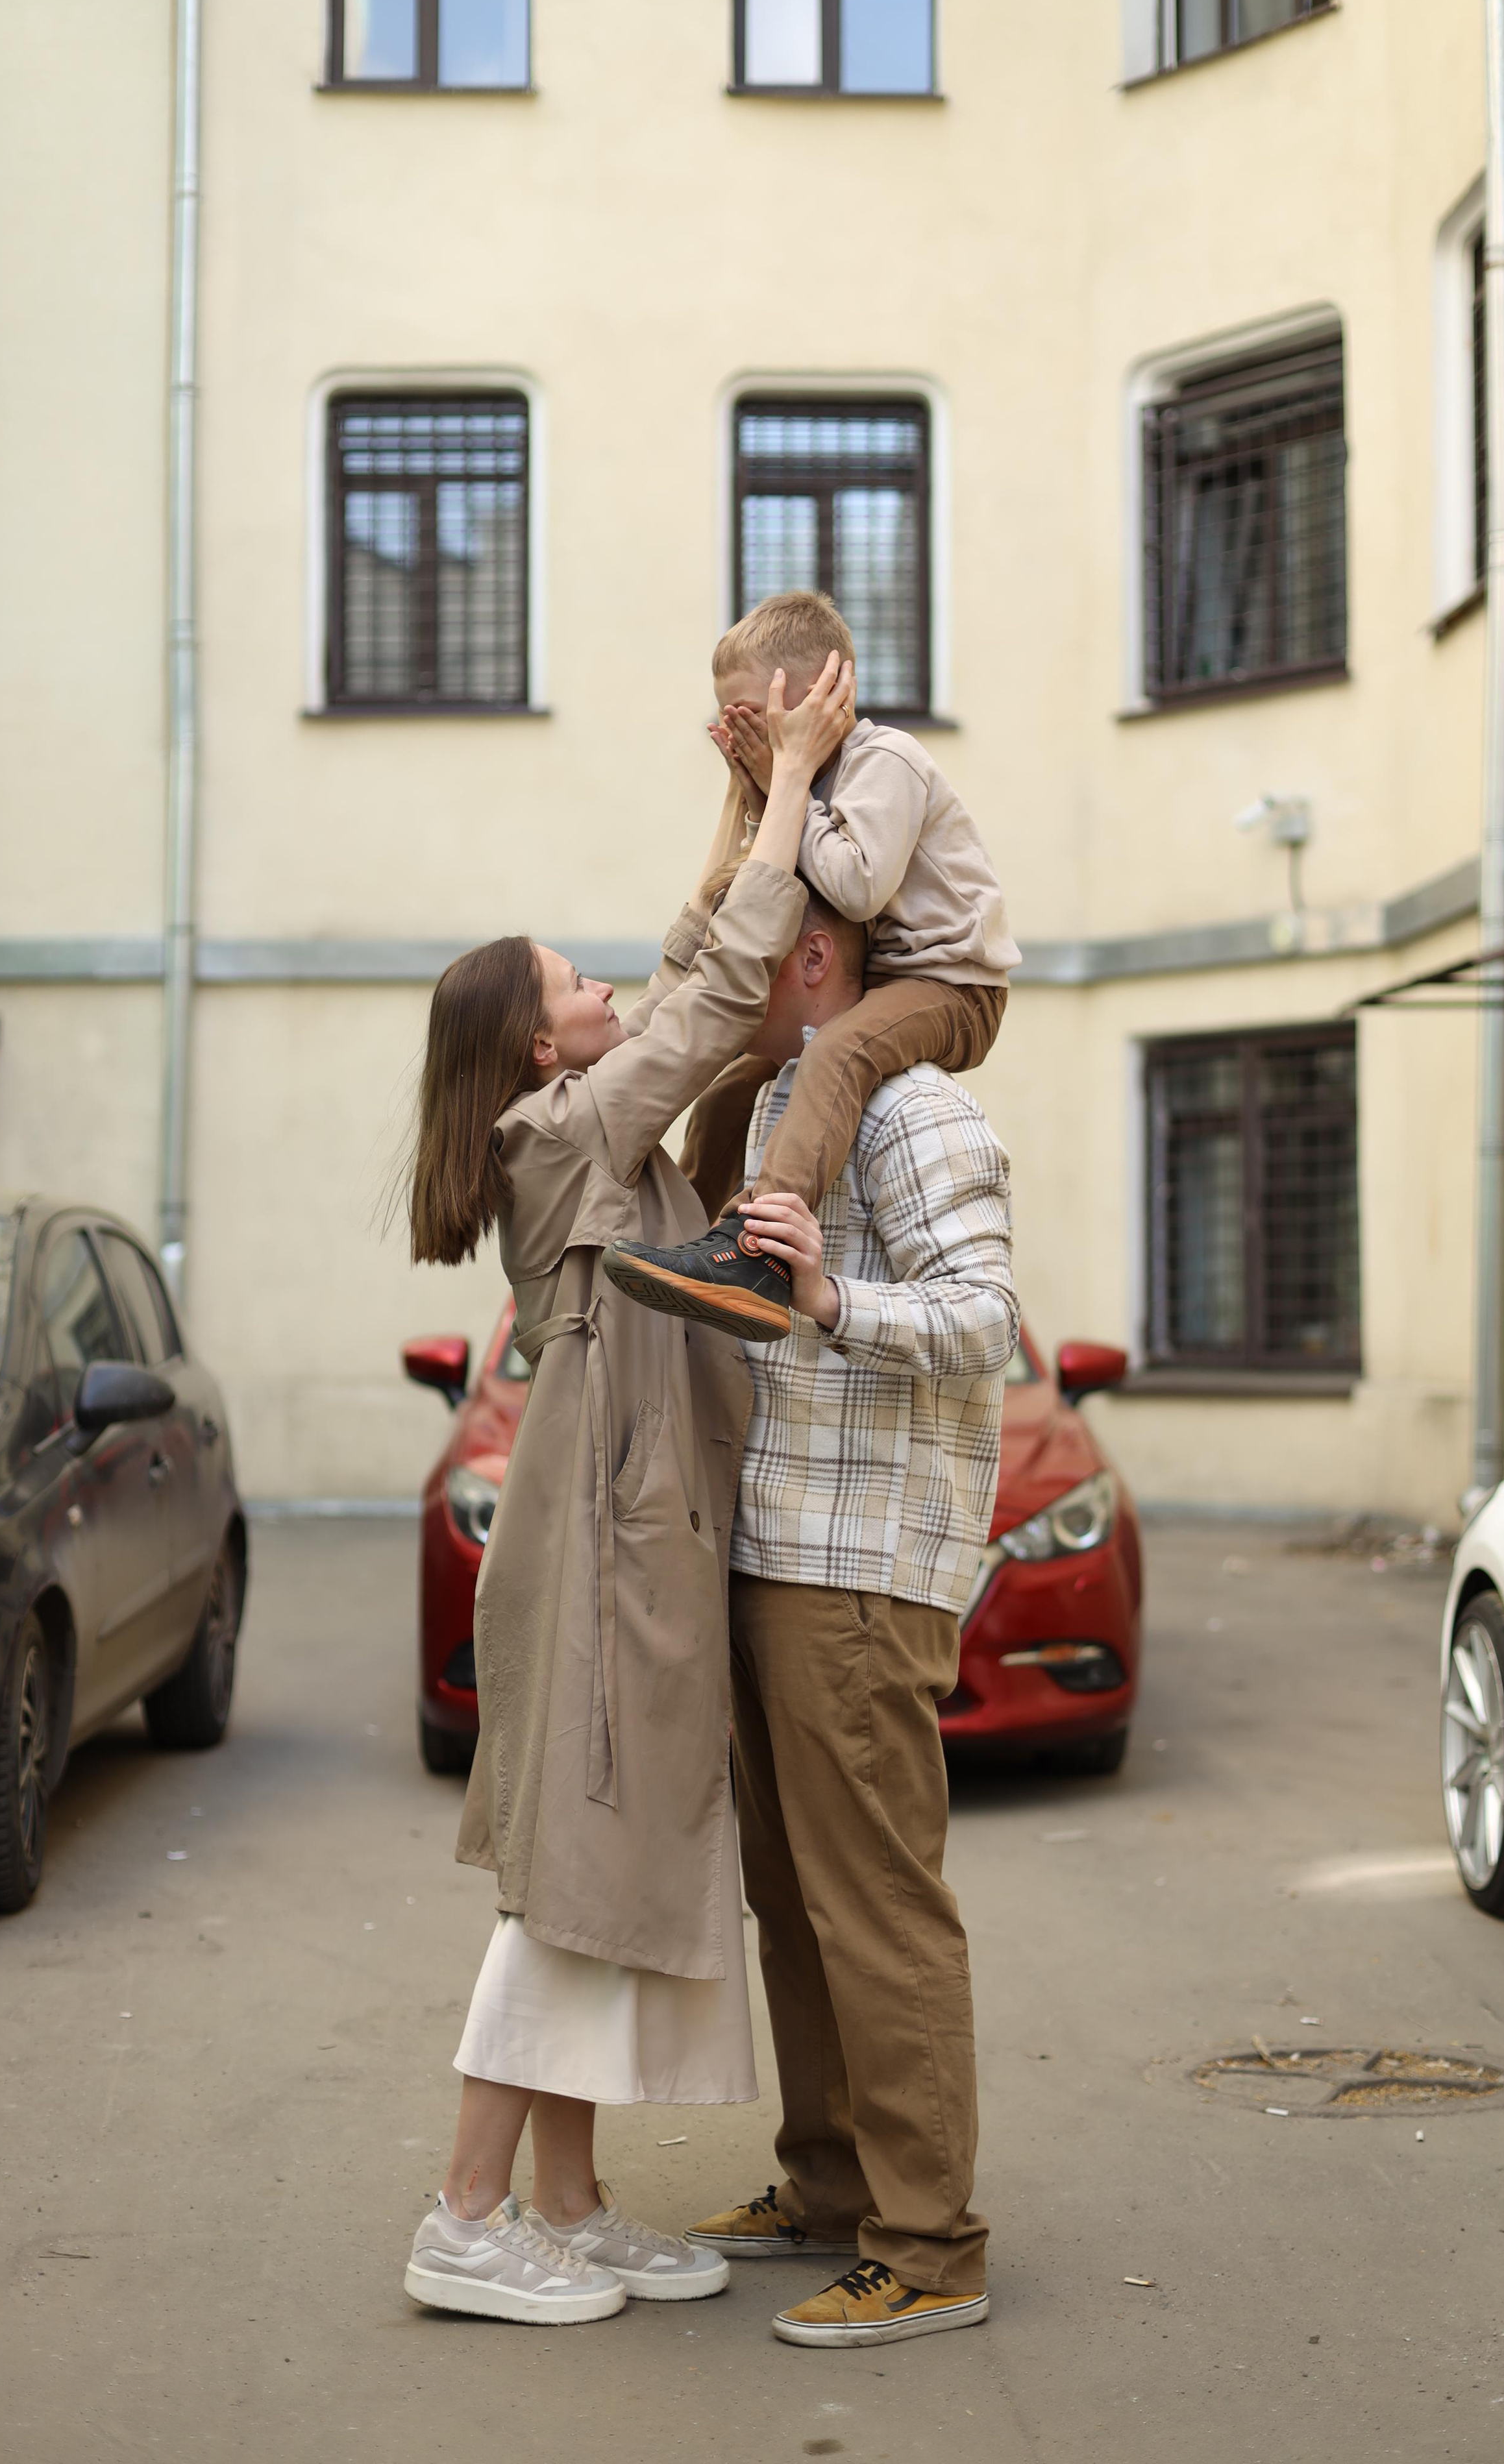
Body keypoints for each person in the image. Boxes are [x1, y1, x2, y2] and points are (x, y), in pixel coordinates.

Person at [399, 652, 856, 2327]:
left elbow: (684, 962)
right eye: (575, 978)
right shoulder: (564, 1139)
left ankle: (568, 2210)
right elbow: (724, 987)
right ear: (540, 1036)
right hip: (594, 1570)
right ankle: (465, 2216)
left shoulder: (600, 1124)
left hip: (627, 1555)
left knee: (595, 1888)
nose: (607, 983)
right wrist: (801, 775)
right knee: (564, 1894)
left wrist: (743, 787)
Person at [672, 884, 1018, 2350]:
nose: (703, 984)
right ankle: (825, 2184)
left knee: (875, 1908)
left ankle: (928, 2245)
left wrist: (828, 1297)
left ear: (813, 960)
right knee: (793, 1898)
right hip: (777, 1545)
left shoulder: (913, 1107)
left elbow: (985, 1318)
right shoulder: (774, 1111)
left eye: (734, 957)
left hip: (864, 1559)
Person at [600, 590, 1018, 1341]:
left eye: (750, 715)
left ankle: (755, 1255)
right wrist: (760, 785)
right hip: (890, 982)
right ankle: (688, 1253)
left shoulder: (886, 758)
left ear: (816, 698)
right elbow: (757, 885)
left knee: (836, 1053)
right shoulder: (811, 786)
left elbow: (856, 884)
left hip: (953, 986)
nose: (740, 733)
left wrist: (786, 776)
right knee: (730, 1092)